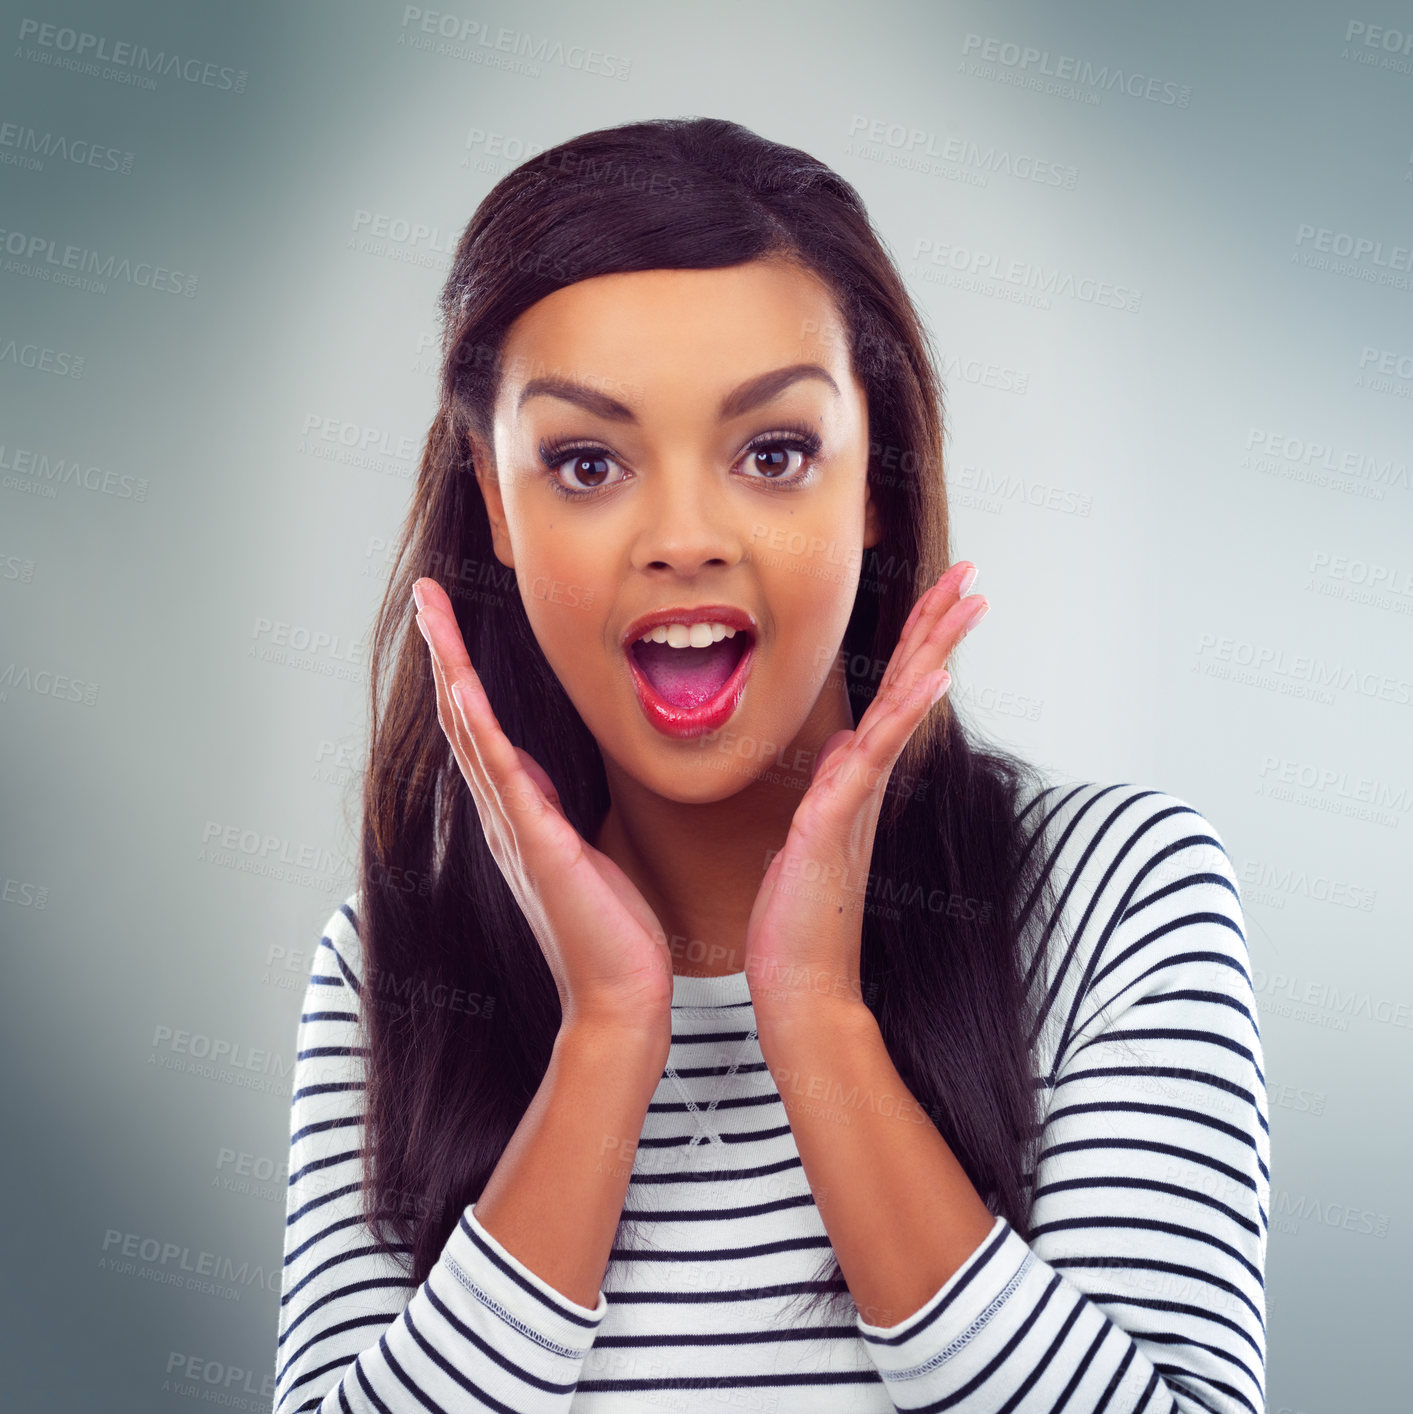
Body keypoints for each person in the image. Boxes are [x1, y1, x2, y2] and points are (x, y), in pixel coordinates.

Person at [274, 117, 1268, 1413]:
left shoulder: (1114, 895)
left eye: (772, 452)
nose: (683, 537)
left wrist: (817, 1017)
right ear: (496, 499)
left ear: (872, 481)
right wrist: (606, 1036)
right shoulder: (393, 968)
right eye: (585, 462)